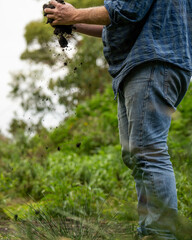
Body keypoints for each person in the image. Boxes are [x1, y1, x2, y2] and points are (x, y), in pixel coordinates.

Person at [44, 0, 192, 239]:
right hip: (145, 62)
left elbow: (124, 10)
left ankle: (161, 232)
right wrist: (73, 22)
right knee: (136, 155)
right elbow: (121, 21)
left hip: (153, 62)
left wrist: (73, 13)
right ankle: (149, 229)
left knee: (148, 151)